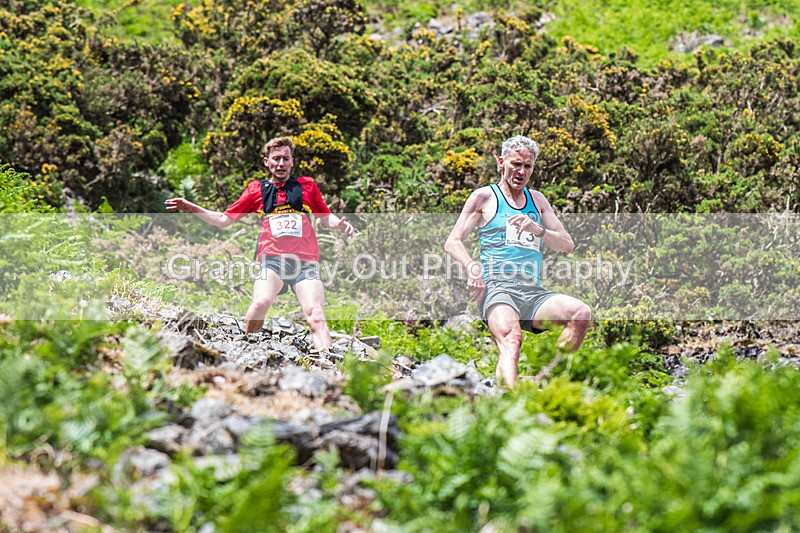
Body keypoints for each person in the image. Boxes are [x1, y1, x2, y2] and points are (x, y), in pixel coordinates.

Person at [165, 136, 355, 350]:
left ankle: (328, 363)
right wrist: (191, 207)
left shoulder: (307, 186)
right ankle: (246, 350)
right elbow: (223, 220)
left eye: (285, 158)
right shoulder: (257, 189)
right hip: (272, 262)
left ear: (292, 161)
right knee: (260, 303)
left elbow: (325, 217)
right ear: (267, 162)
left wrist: (339, 224)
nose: (281, 163)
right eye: (276, 159)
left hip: (306, 263)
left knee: (316, 315)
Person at [445, 135, 591, 388]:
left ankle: (541, 384)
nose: (521, 171)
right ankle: (512, 402)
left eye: (528, 166)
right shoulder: (484, 197)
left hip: (533, 293)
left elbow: (567, 244)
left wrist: (539, 230)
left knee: (580, 314)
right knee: (512, 339)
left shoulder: (538, 200)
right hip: (498, 288)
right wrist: (473, 267)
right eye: (515, 164)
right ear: (502, 163)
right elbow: (453, 241)